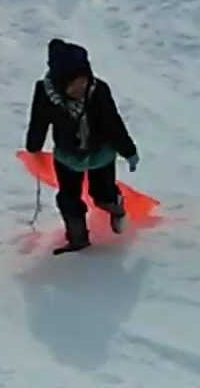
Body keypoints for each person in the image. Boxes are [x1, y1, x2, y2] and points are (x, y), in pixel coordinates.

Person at [25, 39, 139, 254]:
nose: (81, 88)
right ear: (60, 82)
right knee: (68, 197)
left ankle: (116, 207)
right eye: (74, 84)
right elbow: (38, 121)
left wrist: (128, 150)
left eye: (84, 81)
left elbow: (113, 122)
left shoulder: (98, 91)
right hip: (68, 155)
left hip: (101, 151)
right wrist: (34, 146)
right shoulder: (45, 93)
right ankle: (78, 239)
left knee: (102, 193)